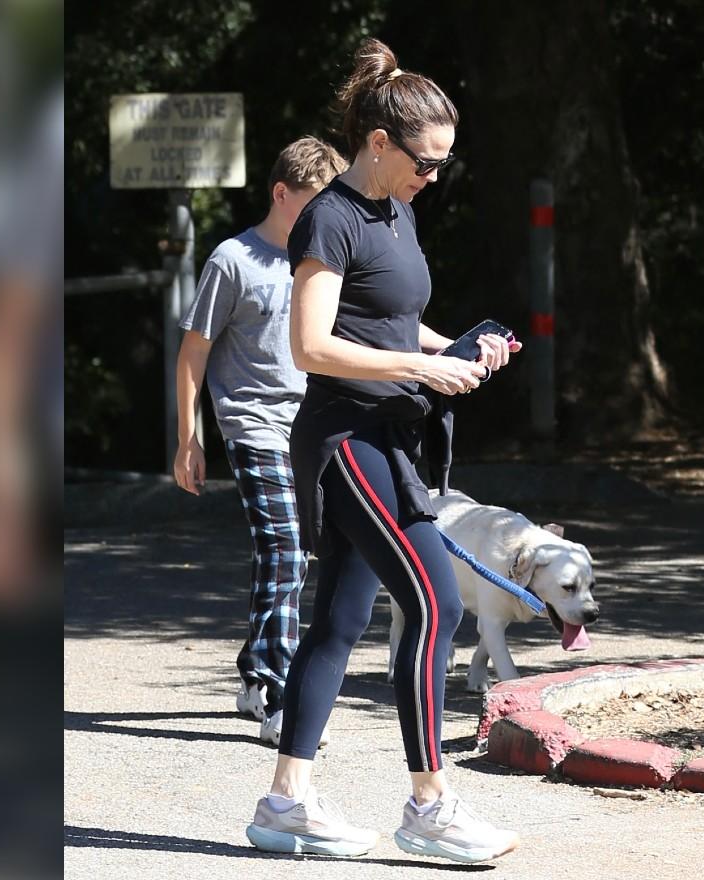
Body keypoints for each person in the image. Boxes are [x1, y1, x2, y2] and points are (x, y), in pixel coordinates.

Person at [243, 39, 524, 864]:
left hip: (392, 433)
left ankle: (285, 799)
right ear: (378, 144)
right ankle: (428, 806)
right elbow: (310, 347)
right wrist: (420, 367)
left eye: (442, 163)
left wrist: (462, 349)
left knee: (338, 620)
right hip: (347, 439)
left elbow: (395, 324)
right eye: (424, 162)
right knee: (436, 601)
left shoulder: (395, 211)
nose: (433, 177)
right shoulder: (330, 217)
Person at [175, 137, 348, 745]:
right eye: (313, 202)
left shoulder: (321, 261)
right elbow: (193, 353)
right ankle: (278, 692)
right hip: (251, 424)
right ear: (281, 194)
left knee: (299, 554)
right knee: (285, 549)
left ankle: (254, 670)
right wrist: (188, 438)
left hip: (310, 427)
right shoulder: (233, 260)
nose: (326, 215)